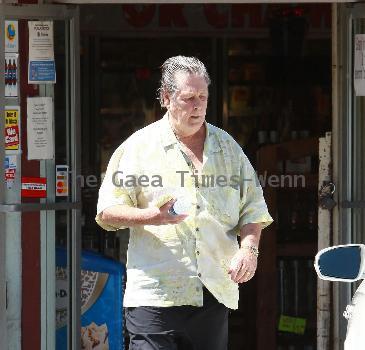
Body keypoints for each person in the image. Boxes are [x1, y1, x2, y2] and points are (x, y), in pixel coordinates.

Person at [95, 56, 273, 350]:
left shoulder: (228, 147)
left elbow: (253, 207)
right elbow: (107, 211)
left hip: (213, 291)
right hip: (155, 294)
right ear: (166, 98)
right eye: (189, 98)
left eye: (202, 97)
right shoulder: (139, 147)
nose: (198, 106)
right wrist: (151, 216)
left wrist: (249, 249)